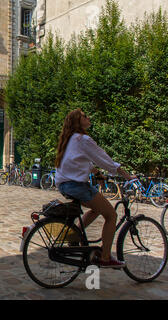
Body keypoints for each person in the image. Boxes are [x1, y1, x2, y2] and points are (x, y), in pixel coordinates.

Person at [54, 108, 133, 269]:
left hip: (64, 184)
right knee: (111, 215)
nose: (88, 117)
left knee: (97, 209)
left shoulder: (69, 140)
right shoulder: (83, 139)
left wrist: (98, 174)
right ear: (78, 121)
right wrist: (126, 175)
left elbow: (83, 162)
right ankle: (105, 257)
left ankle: (72, 234)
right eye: (84, 116)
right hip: (76, 186)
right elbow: (103, 158)